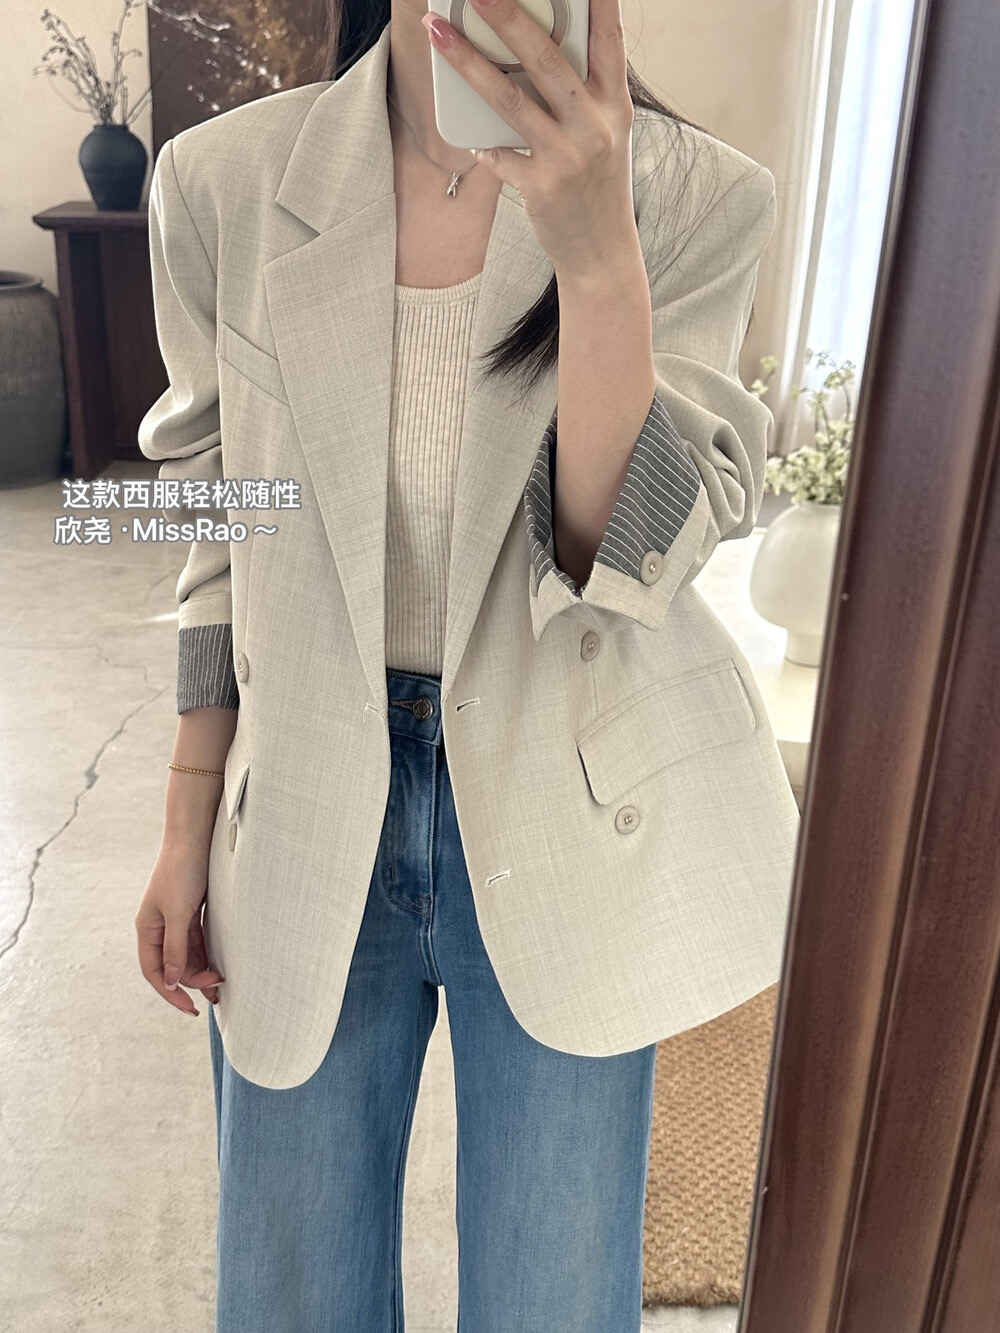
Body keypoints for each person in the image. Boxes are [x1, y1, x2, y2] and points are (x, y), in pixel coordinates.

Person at [135, 2, 799, 1329]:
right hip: (305, 798)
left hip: (572, 800)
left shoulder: (696, 198)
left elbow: (632, 563)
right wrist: (185, 818)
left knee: (555, 1300)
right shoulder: (224, 184)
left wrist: (598, 260)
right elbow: (218, 523)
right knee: (292, 1298)